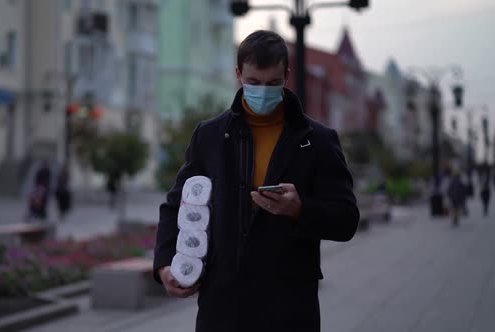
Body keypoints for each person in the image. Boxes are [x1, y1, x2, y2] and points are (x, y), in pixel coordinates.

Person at [153, 30, 359, 332]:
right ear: (238, 74)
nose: (262, 91)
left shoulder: (318, 141)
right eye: (253, 82)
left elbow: (347, 220)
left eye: (273, 83)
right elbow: (176, 205)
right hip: (222, 308)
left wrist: (300, 210)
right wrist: (164, 266)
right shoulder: (209, 136)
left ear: (287, 75)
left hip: (288, 307)